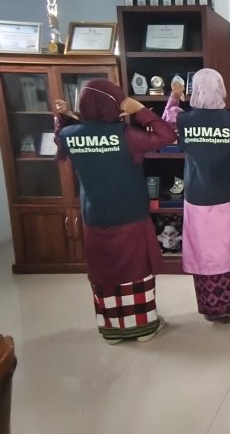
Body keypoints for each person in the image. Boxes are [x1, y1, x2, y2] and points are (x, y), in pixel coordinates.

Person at [55, 79, 175, 344]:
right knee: (136, 269)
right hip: (130, 214)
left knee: (104, 271)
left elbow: (66, 139)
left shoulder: (69, 134)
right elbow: (167, 135)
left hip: (95, 216)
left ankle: (112, 330)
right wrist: (139, 110)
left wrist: (65, 118)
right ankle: (143, 327)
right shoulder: (126, 135)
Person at [164, 68, 230, 323]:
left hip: (197, 195)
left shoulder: (184, 119)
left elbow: (167, 121)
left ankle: (213, 305)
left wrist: (174, 96)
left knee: (204, 249)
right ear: (220, 90)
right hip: (228, 194)